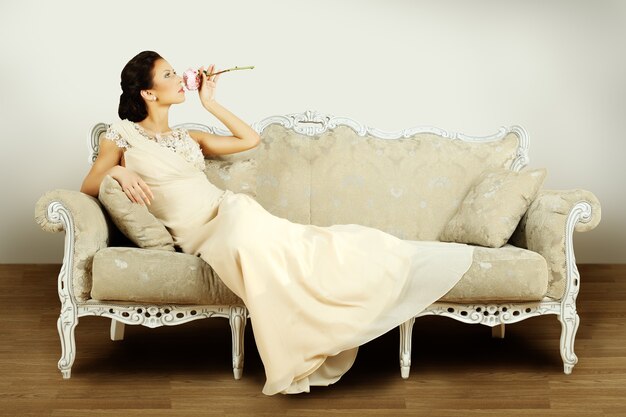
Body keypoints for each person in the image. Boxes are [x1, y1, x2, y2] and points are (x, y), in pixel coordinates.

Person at [81, 50, 475, 396]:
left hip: (229, 211)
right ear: (148, 93)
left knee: (297, 245)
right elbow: (90, 184)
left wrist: (210, 102)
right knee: (245, 247)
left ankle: (367, 271)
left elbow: (249, 139)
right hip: (199, 233)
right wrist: (117, 174)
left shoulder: (190, 136)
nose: (177, 76)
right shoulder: (122, 136)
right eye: (168, 75)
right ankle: (305, 338)